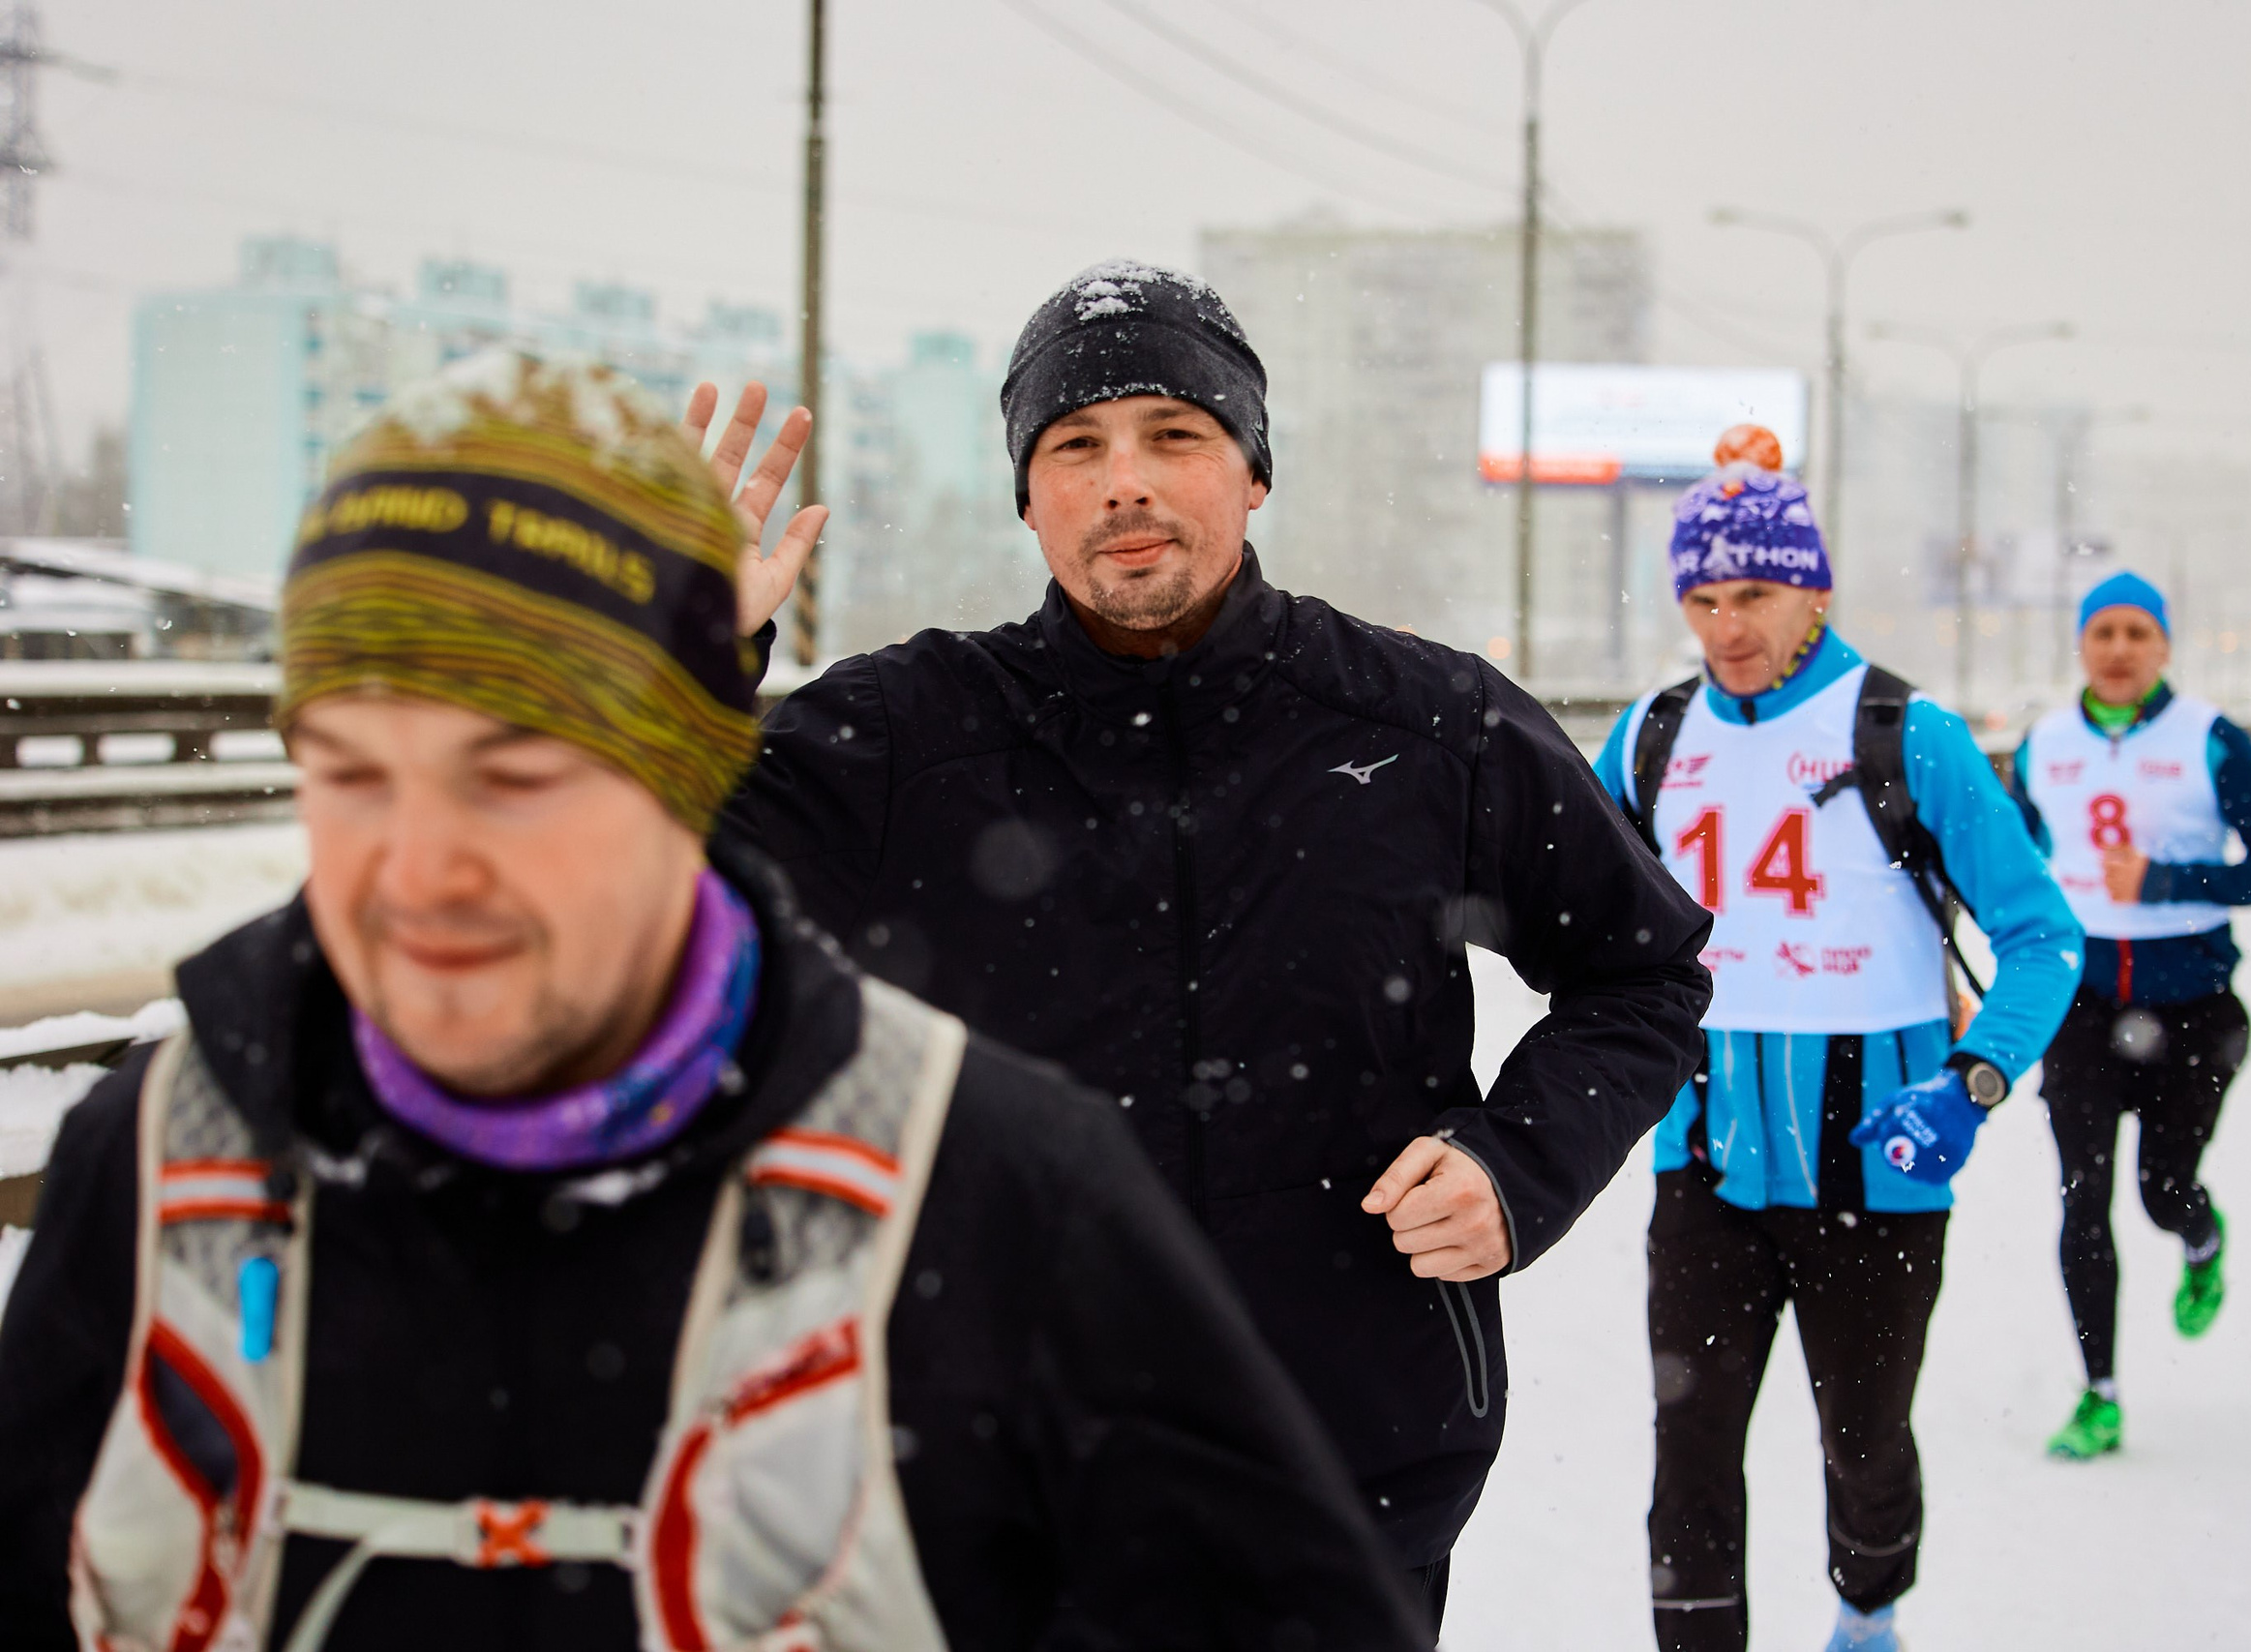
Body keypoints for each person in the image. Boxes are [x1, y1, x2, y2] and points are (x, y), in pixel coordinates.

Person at [0, 352, 1431, 1652]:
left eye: (516, 775)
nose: (422, 871)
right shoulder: (161, 1156)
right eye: (354, 772)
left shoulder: (991, 1185)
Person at [709, 258, 1716, 1628]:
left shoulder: (1428, 725)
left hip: (1352, 1472)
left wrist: (1515, 1163)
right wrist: (680, 662)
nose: (1124, 478)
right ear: (1029, 497)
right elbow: (618, 891)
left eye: (1173, 433)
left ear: (1251, 472)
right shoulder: (904, 738)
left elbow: (1642, 968)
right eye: (1077, 446)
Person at [1591, 428, 2081, 1652]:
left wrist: (1970, 1084)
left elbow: (2042, 937)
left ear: (1814, 588)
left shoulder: (1909, 737)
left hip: (1880, 1161)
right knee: (1687, 1446)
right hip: (1702, 1165)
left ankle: (1868, 1609)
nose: (1725, 626)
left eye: (1752, 593)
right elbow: (1565, 914)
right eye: (1700, 598)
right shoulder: (1650, 738)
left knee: (1862, 1437)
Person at [2009, 570, 2251, 1461]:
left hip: (2193, 1009)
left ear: (2165, 646)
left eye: (2139, 633)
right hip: (2086, 1009)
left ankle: (2201, 1238)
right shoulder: (2043, 744)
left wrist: (2174, 880)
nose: (2121, 649)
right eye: (2105, 633)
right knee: (2082, 1200)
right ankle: (2100, 1394)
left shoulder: (2211, 739)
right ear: (2082, 647)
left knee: (2162, 1192)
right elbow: (2012, 860)